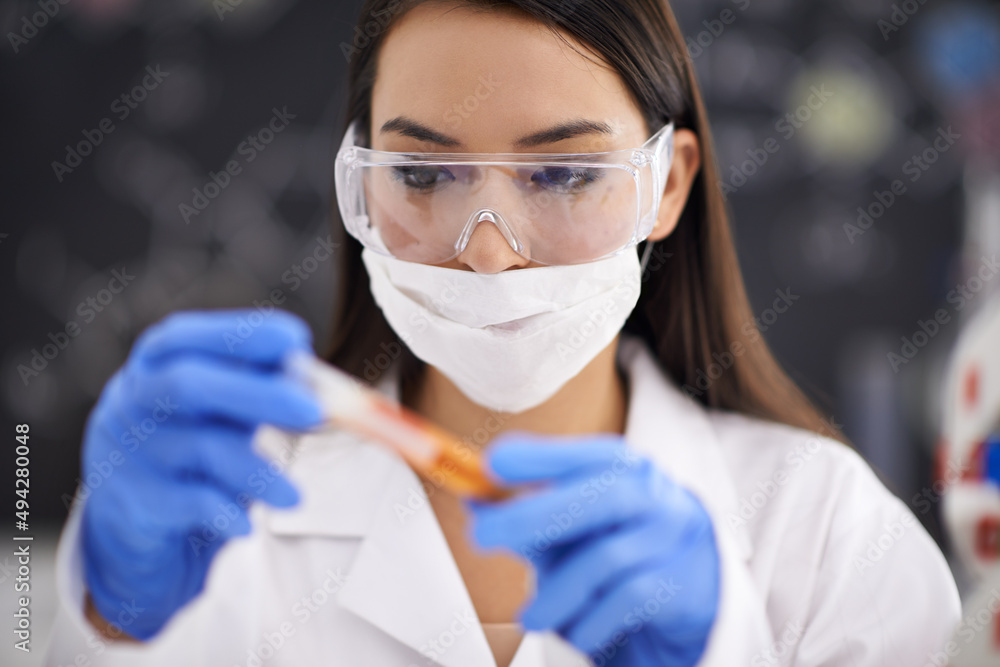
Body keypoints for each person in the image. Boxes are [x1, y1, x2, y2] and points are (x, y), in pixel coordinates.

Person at [44, 1, 961, 666]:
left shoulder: (829, 531)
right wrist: (115, 618)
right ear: (361, 183)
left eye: (563, 174)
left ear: (668, 186)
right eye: (425, 175)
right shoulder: (227, 513)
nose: (488, 257)